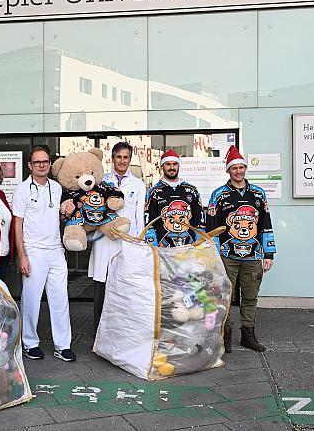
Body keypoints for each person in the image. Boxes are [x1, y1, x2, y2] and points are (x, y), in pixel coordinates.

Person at [208, 145, 276, 353]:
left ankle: (248, 334)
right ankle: (225, 335)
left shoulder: (258, 194)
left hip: (253, 255)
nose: (238, 171)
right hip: (227, 256)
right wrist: (214, 254)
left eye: (241, 167)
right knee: (224, 296)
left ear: (245, 169)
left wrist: (269, 253)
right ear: (228, 170)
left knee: (250, 295)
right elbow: (212, 228)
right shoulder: (218, 195)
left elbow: (266, 223)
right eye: (234, 168)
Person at [13, 146, 75, 362]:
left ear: (49, 164)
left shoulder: (57, 188)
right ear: (30, 165)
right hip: (34, 251)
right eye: (37, 162)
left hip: (56, 250)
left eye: (45, 161)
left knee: (60, 299)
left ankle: (62, 345)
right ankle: (30, 343)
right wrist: (22, 256)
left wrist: (65, 213)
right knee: (31, 300)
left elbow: (54, 217)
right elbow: (17, 224)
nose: (41, 165)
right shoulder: (22, 189)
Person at [87, 142, 145, 333]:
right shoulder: (101, 181)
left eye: (125, 157)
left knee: (124, 292)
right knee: (101, 291)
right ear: (112, 159)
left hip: (127, 245)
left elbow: (138, 220)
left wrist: (138, 245)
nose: (122, 161)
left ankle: (121, 334)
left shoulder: (138, 185)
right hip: (104, 242)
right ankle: (98, 334)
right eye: (118, 157)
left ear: (130, 159)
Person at [145, 149, 205, 247]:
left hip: (189, 248)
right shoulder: (153, 192)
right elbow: (149, 224)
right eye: (168, 164)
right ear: (162, 166)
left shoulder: (192, 190)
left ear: (179, 166)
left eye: (175, 164)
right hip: (164, 250)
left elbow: (200, 222)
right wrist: (154, 246)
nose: (172, 167)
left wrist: (199, 245)